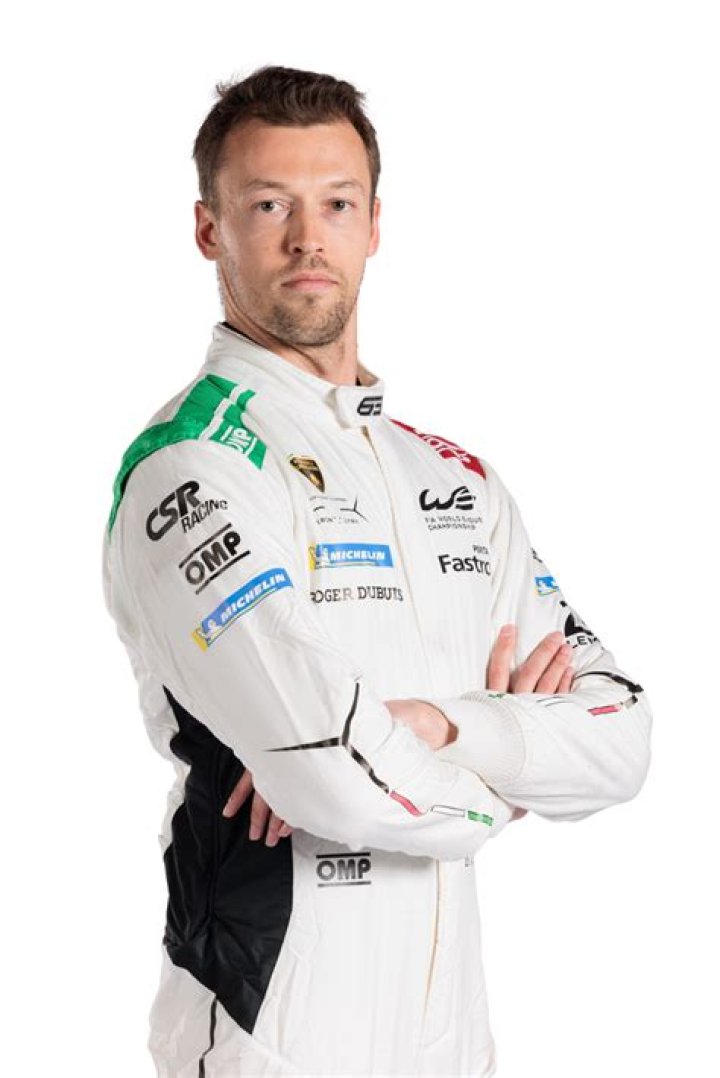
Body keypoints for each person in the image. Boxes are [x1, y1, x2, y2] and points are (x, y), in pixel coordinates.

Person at [102, 65, 652, 1078]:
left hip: (451, 1042)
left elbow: (622, 740)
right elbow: (331, 777)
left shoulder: (456, 480)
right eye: (270, 205)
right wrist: (507, 792)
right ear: (209, 230)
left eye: (337, 204)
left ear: (375, 224)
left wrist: (443, 726)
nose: (308, 239)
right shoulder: (195, 465)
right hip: (271, 1039)